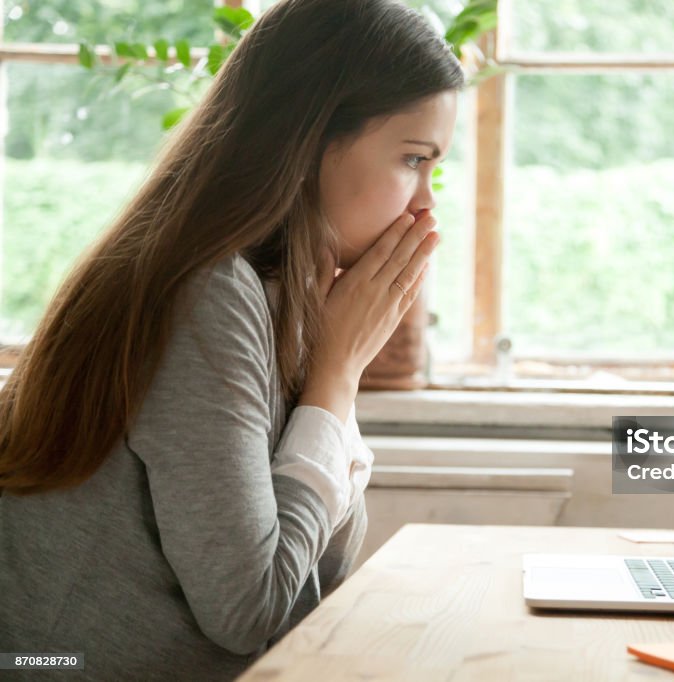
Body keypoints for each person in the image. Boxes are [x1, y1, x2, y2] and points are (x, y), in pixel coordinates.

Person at [0, 0, 462, 678]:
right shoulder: (208, 294)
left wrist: (334, 363)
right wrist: (334, 378)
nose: (425, 205)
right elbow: (254, 614)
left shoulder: (276, 294)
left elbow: (313, 586)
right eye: (413, 159)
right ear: (309, 145)